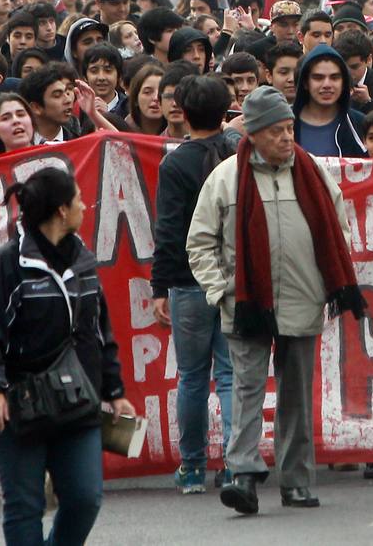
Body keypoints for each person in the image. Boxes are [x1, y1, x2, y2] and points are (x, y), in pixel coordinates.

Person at [187, 87, 365, 514]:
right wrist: (220, 289)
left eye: (290, 128)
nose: (288, 138)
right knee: (247, 390)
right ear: (254, 132)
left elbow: (339, 231)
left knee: (296, 395)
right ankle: (243, 476)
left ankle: (297, 481)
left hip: (303, 300)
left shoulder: (313, 173)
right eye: (277, 131)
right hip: (245, 304)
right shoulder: (227, 177)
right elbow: (199, 244)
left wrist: (328, 284)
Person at [0, 168, 134, 544]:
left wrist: (114, 389)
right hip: (20, 406)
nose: (84, 208)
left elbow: (98, 331)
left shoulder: (84, 260)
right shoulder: (7, 265)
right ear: (61, 210)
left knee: (84, 499)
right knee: (25, 504)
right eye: (79, 200)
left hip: (79, 401)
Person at [152, 76, 237, 494]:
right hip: (236, 280)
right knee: (231, 374)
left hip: (188, 283)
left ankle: (192, 467)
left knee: (191, 376)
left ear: (182, 113)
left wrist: (158, 287)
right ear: (227, 110)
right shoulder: (239, 154)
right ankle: (237, 464)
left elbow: (168, 230)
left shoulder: (176, 163)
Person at [293, 44, 366, 157]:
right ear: (305, 83)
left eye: (334, 77)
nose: (327, 85)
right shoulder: (285, 123)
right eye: (318, 78)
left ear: (343, 82)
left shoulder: (359, 123)